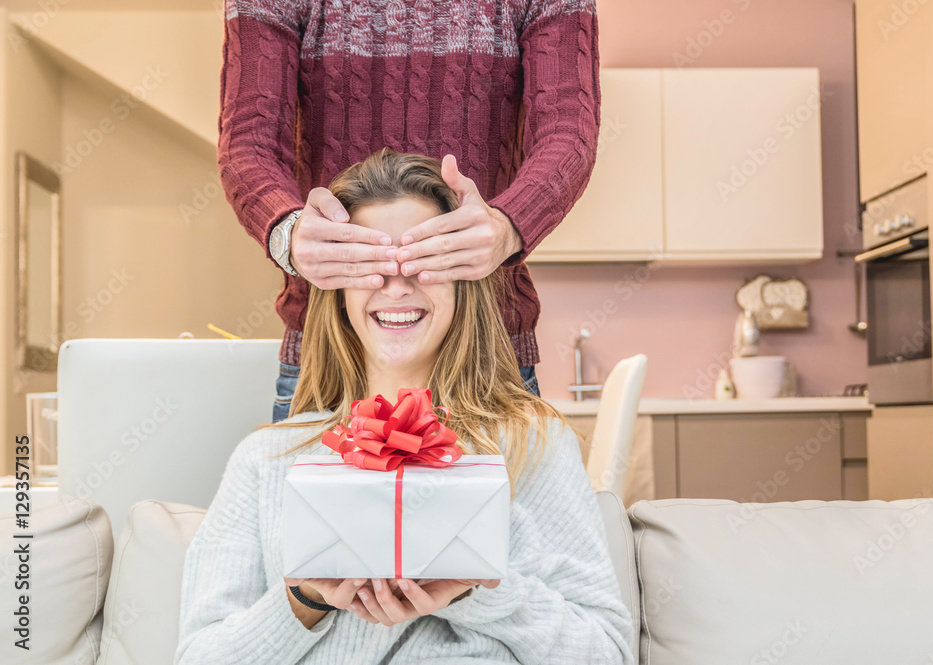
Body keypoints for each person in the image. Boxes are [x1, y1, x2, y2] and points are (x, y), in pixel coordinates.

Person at [176, 150, 632, 664]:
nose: (397, 285)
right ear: (337, 289)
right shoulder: (266, 460)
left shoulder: (533, 444)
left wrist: (477, 592)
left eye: (426, 261)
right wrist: (303, 601)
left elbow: (605, 654)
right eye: (370, 265)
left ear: (464, 281)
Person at [216, 0, 602, 422]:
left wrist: (508, 226)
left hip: (485, 354)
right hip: (331, 354)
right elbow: (248, 144)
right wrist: (286, 232)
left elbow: (568, 132)